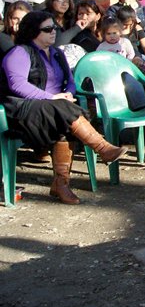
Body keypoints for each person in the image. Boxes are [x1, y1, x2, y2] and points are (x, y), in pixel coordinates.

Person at [2, 11, 129, 204]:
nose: (54, 31)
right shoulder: (20, 52)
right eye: (47, 29)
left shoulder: (57, 53)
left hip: (55, 109)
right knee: (63, 111)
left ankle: (61, 184)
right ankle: (102, 148)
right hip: (23, 109)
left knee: (64, 120)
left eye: (54, 27)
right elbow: (17, 85)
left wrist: (68, 93)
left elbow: (70, 80)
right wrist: (52, 97)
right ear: (33, 32)